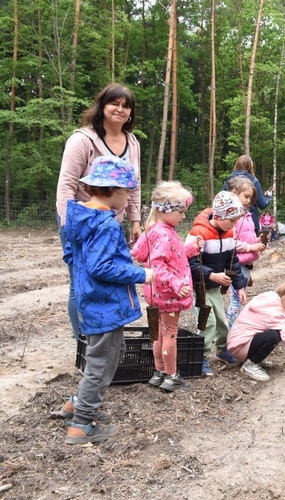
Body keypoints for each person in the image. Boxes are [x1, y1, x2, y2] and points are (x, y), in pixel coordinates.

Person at [55, 155, 154, 444]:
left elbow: (73, 257)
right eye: (127, 192)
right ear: (114, 191)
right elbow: (102, 267)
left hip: (91, 299)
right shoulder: (106, 225)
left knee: (108, 353)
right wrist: (140, 273)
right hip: (106, 304)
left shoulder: (78, 217)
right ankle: (82, 423)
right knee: (103, 360)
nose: (128, 198)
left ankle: (78, 402)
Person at [56, 83, 142, 339]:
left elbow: (133, 184)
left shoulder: (132, 142)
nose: (120, 109)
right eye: (114, 103)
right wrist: (68, 225)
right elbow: (66, 185)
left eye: (126, 106)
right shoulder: (82, 139)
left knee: (107, 279)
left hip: (112, 222)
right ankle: (83, 341)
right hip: (83, 221)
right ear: (102, 106)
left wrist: (135, 220)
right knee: (80, 283)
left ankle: (104, 338)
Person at [131, 181, 202, 392]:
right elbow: (157, 264)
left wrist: (189, 249)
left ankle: (159, 372)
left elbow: (151, 254)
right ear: (166, 210)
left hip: (156, 294)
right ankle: (171, 375)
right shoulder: (165, 233)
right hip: (168, 294)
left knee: (159, 334)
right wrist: (177, 282)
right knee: (170, 333)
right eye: (180, 212)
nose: (183, 217)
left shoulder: (154, 230)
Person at [186, 191, 248, 376]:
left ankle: (222, 350)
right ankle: (201, 356)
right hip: (200, 287)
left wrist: (239, 285)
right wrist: (212, 275)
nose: (234, 225)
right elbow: (190, 263)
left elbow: (233, 261)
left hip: (214, 288)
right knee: (208, 322)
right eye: (232, 220)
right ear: (220, 215)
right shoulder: (198, 233)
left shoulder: (229, 233)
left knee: (222, 320)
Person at [224, 176, 266, 328]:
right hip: (237, 265)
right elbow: (231, 242)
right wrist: (250, 248)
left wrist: (257, 241)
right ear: (234, 193)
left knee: (239, 299)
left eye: (251, 197)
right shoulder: (232, 217)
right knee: (236, 300)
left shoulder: (247, 214)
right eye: (246, 196)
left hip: (246, 265)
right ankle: (231, 332)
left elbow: (247, 238)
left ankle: (233, 330)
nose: (249, 200)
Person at [222, 154, 273, 234]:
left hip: (230, 222)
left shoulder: (228, 180)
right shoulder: (254, 181)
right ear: (250, 166)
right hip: (250, 222)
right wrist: (268, 196)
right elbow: (262, 204)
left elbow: (223, 202)